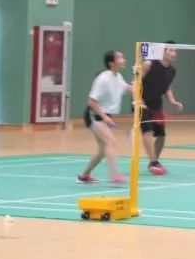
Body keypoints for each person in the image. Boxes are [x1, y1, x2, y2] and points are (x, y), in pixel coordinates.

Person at [77, 51, 134, 184]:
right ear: (111, 62)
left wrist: (138, 80)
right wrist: (104, 117)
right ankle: (115, 176)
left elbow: (129, 89)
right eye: (120, 57)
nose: (123, 60)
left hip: (104, 115)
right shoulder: (103, 79)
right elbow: (91, 101)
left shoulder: (118, 76)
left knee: (103, 150)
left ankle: (84, 175)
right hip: (94, 114)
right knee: (110, 141)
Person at [141, 42, 183, 175]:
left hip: (156, 104)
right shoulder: (149, 65)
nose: (174, 53)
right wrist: (138, 100)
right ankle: (154, 162)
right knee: (147, 131)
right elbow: (135, 81)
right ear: (163, 51)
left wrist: (173, 101)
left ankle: (154, 161)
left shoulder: (172, 71)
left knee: (161, 136)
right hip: (141, 102)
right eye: (171, 50)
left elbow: (167, 88)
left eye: (175, 51)